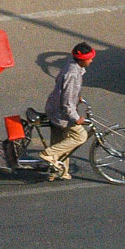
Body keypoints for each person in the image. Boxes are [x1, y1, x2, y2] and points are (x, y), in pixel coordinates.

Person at [41, 42, 96, 181]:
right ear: (82, 59)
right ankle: (48, 154)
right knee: (80, 136)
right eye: (89, 58)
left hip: (53, 107)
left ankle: (59, 171)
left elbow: (64, 89)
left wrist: (77, 96)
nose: (91, 60)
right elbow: (67, 103)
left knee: (60, 141)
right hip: (61, 113)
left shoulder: (71, 64)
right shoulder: (73, 74)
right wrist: (76, 118)